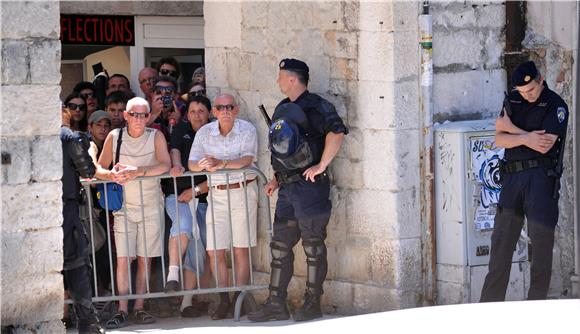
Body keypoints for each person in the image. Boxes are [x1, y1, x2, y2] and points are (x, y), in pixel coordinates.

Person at [248, 58, 348, 322]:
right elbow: (282, 149)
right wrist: (276, 179)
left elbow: (337, 133)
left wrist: (321, 165)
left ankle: (312, 303)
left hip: (310, 188)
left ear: (292, 79)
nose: (278, 81)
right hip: (288, 188)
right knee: (280, 246)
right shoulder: (283, 107)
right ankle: (275, 304)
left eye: (281, 77)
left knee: (313, 246)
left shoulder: (317, 105)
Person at [479, 61, 569, 302]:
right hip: (512, 180)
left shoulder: (555, 105)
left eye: (531, 90)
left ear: (541, 80)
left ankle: (535, 308)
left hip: (540, 181)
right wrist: (526, 135)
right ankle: (487, 308)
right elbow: (499, 139)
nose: (527, 95)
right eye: (522, 92)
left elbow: (543, 145)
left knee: (540, 249)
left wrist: (514, 131)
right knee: (500, 247)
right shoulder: (513, 101)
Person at [96, 97, 171, 328]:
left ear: (149, 116)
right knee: (123, 259)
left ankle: (138, 306)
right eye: (134, 114)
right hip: (124, 208)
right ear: (126, 116)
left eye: (143, 114)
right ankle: (121, 308)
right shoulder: (114, 137)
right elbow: (99, 168)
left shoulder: (156, 136)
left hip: (150, 204)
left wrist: (136, 171)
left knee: (145, 259)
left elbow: (165, 165)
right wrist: (112, 176)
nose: (139, 118)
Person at [188, 93, 259, 320]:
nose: (225, 110)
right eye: (220, 107)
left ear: (236, 110)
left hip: (242, 191)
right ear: (214, 112)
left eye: (229, 106)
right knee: (214, 251)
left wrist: (220, 164)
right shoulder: (204, 133)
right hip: (216, 195)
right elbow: (191, 162)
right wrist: (203, 165)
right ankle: (224, 300)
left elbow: (246, 160)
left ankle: (239, 297)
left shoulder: (247, 129)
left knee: (241, 249)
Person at [162, 95, 213, 317]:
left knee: (197, 249)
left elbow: (217, 175)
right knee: (182, 223)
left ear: (209, 113)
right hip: (177, 196)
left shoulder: (214, 133)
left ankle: (187, 302)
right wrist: (176, 165)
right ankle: (172, 274)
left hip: (203, 199)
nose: (197, 115)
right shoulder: (180, 129)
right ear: (187, 113)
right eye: (193, 111)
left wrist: (194, 191)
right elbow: (175, 150)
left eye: (201, 111)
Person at [60, 106, 105, 334]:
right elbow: (87, 170)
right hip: (65, 209)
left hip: (61, 205)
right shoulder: (68, 136)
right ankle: (87, 323)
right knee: (77, 263)